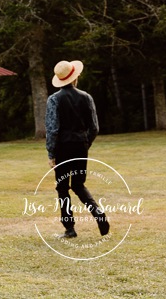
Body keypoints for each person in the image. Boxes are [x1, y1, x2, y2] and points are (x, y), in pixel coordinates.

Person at [45, 60, 109, 239]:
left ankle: (69, 229)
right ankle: (98, 214)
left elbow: (52, 129)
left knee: (63, 188)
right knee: (79, 184)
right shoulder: (86, 97)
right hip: (80, 145)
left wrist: (51, 153)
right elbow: (94, 127)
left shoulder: (54, 100)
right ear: (74, 77)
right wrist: (84, 143)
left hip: (62, 148)